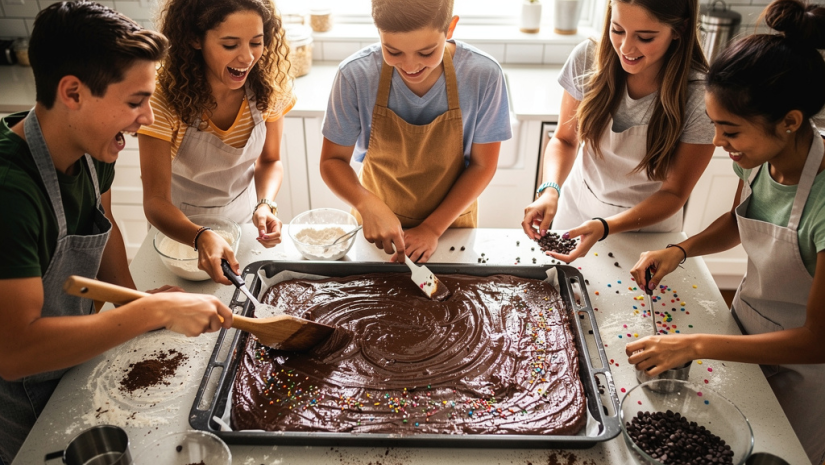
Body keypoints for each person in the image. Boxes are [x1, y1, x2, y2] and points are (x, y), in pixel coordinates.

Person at [0, 3, 233, 463]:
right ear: (72, 92)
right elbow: (16, 351)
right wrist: (152, 311)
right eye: (134, 101)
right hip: (23, 412)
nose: (147, 118)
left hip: (70, 368)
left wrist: (133, 299)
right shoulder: (10, 194)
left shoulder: (91, 150)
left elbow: (101, 229)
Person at [627, 1, 825, 461]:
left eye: (730, 132)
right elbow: (740, 222)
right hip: (745, 336)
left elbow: (818, 339)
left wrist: (694, 344)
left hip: (805, 370)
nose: (718, 143)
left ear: (790, 122)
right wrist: (681, 249)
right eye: (716, 127)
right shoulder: (762, 159)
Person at [522, 0, 715, 263]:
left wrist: (606, 226)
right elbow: (565, 139)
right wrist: (550, 190)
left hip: (646, 232)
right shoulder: (588, 58)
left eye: (645, 37)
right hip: (578, 211)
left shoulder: (699, 97)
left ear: (679, 29)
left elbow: (675, 192)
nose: (626, 47)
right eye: (617, 29)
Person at [319, 0, 512, 263]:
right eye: (394, 52)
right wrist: (366, 204)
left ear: (451, 27)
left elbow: (482, 165)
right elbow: (332, 161)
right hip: (377, 229)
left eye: (426, 52)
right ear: (378, 32)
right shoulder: (355, 76)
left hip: (450, 228)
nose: (410, 66)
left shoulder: (484, 75)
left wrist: (432, 228)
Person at [138, 0, 295, 283]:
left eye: (256, 42)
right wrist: (199, 236)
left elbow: (270, 161)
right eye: (230, 45)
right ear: (194, 39)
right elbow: (155, 201)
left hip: (244, 227)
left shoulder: (268, 90)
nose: (247, 57)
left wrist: (265, 205)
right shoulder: (163, 99)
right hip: (179, 235)